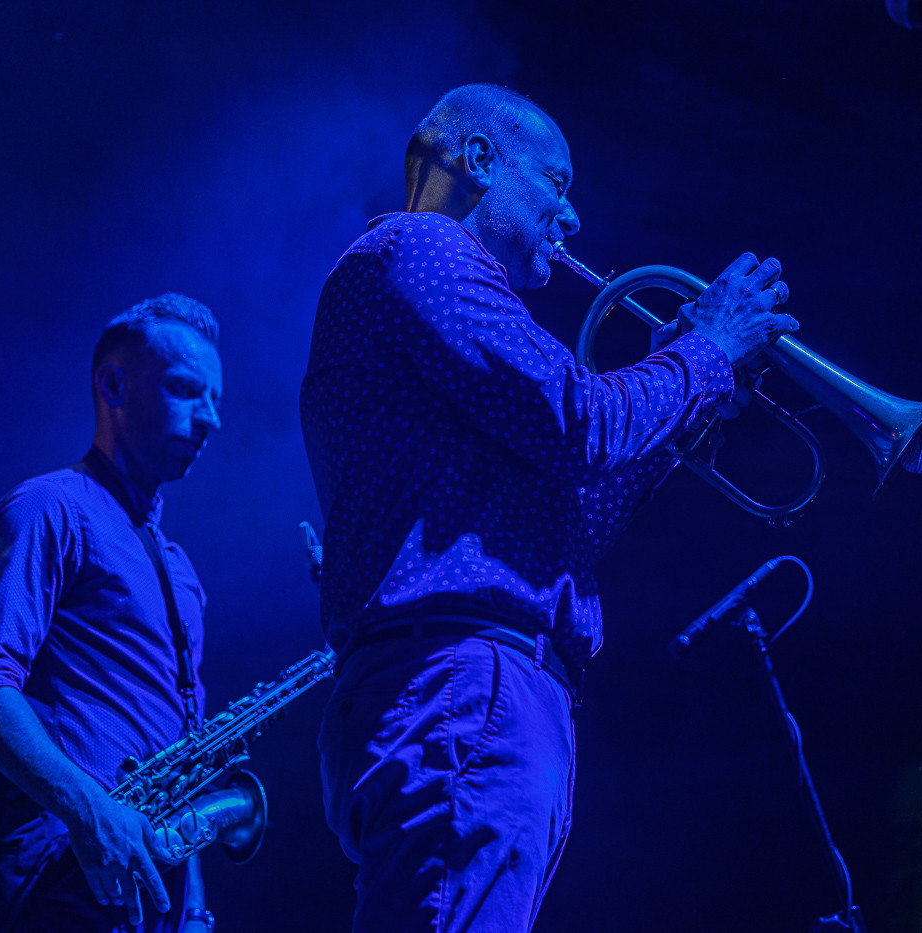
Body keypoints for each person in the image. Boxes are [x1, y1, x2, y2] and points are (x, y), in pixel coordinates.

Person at [299, 84, 798, 932]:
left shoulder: (420, 306)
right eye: (556, 183)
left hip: (472, 686)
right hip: (463, 681)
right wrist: (706, 352)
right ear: (479, 160)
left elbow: (570, 520)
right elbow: (582, 420)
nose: (571, 216)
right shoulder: (422, 246)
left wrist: (687, 405)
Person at [0, 294, 224, 933]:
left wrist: (194, 906)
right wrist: (90, 812)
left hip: (152, 877)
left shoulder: (180, 568)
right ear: (113, 386)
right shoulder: (48, 507)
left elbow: (187, 757)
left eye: (215, 399)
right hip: (65, 861)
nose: (211, 418)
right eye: (187, 389)